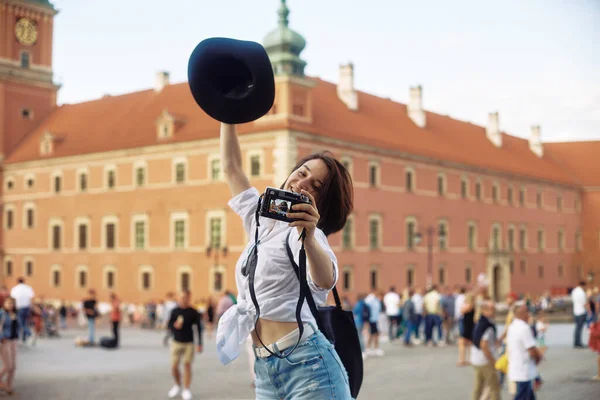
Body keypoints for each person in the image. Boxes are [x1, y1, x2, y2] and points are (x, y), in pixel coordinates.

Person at [215, 122, 354, 399]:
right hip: (265, 370)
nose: (301, 183)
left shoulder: (306, 236)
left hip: (309, 367)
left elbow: (325, 279)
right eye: (301, 173)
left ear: (321, 205)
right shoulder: (259, 219)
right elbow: (231, 166)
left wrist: (310, 236)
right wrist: (227, 113)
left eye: (314, 186)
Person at [167, 290, 203, 400]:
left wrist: (200, 343)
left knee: (187, 366)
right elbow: (169, 325)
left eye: (186, 297)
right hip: (176, 342)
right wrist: (174, 326)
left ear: (189, 298)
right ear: (179, 297)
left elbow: (199, 328)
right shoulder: (175, 311)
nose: (183, 299)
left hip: (189, 343)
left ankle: (186, 389)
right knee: (174, 366)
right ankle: (177, 384)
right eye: (182, 297)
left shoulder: (193, 312)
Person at [507, 301, 543, 400]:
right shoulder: (524, 328)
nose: (529, 314)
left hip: (516, 368)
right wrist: (538, 358)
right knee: (522, 396)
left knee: (529, 396)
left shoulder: (512, 326)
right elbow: (531, 349)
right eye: (527, 311)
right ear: (523, 314)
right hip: (524, 371)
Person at [470, 300, 500, 400]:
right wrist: (492, 360)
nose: (494, 311)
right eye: (492, 309)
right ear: (485, 310)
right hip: (485, 360)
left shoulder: (479, 322)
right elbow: (484, 344)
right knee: (494, 388)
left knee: (478, 388)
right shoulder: (487, 326)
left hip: (475, 359)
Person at [0, 297, 22, 395]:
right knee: (7, 366)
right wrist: (1, 337)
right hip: (5, 341)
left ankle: (9, 387)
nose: (10, 305)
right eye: (8, 303)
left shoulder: (15, 314)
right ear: (4, 304)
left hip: (14, 341)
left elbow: (21, 326)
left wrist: (26, 332)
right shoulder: (1, 313)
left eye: (12, 303)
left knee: (13, 367)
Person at [9, 278, 34, 343]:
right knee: (25, 322)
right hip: (27, 308)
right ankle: (24, 338)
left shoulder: (15, 289)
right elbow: (31, 298)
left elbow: (12, 299)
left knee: (20, 323)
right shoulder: (28, 288)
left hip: (19, 308)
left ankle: (29, 334)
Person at [571, 281, 588, 348]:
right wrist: (589, 311)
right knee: (580, 328)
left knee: (577, 328)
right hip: (581, 311)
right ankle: (579, 343)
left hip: (576, 311)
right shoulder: (582, 292)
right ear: (583, 285)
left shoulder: (574, 291)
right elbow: (584, 303)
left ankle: (576, 342)